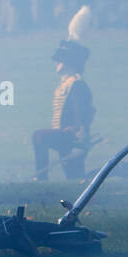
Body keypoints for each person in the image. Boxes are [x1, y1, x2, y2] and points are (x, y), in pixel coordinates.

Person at [33, 39, 95, 181]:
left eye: (60, 60)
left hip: (72, 137)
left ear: (69, 63)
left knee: (39, 136)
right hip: (65, 135)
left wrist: (79, 132)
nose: (57, 63)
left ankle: (41, 177)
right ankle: (122, 170)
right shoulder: (67, 83)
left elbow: (83, 111)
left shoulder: (77, 84)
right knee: (76, 178)